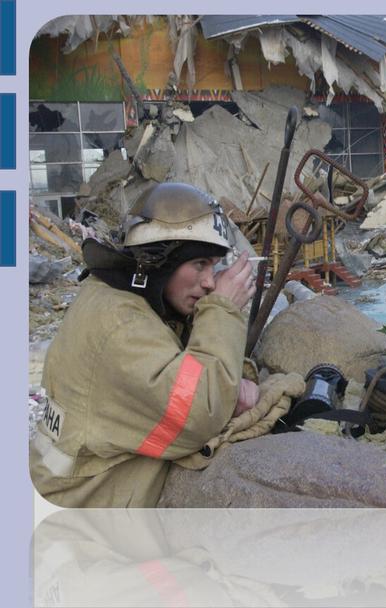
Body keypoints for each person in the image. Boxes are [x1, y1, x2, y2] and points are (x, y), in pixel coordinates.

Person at [30, 183, 259, 507]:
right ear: (159, 261)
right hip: (88, 510)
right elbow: (201, 414)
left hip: (82, 483)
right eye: (199, 264)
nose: (210, 282)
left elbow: (173, 358)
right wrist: (222, 310)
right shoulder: (122, 326)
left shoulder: (117, 297)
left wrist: (231, 379)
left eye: (214, 266)